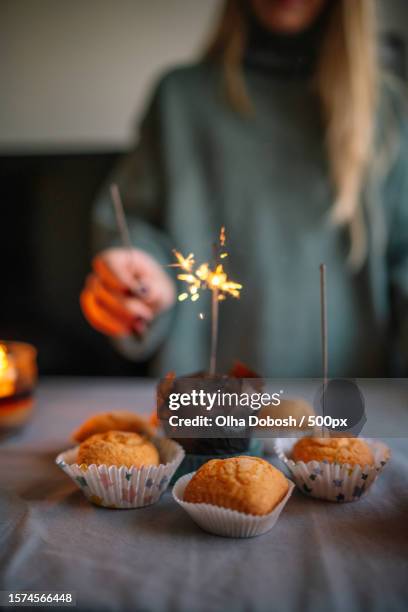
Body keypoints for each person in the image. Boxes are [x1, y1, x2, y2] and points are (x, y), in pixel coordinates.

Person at [81, 0, 408, 378]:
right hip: (199, 401)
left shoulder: (388, 111)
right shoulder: (180, 100)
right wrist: (140, 279)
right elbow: (133, 226)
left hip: (352, 399)